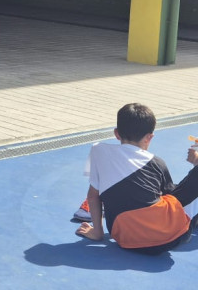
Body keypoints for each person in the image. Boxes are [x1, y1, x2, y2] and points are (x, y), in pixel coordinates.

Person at [76, 103, 198, 254]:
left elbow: (93, 196)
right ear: (150, 137)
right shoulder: (156, 162)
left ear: (116, 133)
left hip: (125, 239)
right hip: (170, 237)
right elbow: (174, 196)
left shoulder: (97, 151)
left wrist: (97, 233)